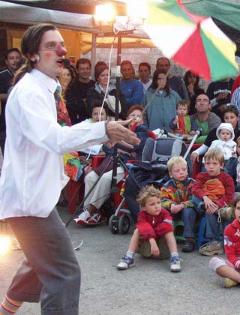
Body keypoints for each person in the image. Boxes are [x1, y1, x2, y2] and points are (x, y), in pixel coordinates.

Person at [0, 23, 139, 315]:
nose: (61, 50)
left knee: (42, 261)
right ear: (33, 55)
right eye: (51, 45)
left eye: (61, 44)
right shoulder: (30, 93)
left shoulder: (41, 89)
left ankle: (6, 309)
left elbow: (57, 134)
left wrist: (105, 130)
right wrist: (104, 128)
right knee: (64, 272)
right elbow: (54, 139)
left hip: (34, 199)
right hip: (29, 203)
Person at [116, 186, 181, 272]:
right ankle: (129, 257)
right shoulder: (142, 215)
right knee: (138, 230)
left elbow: (167, 225)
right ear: (144, 207)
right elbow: (143, 226)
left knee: (169, 230)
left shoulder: (165, 213)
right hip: (147, 248)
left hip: (163, 249)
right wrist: (152, 239)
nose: (157, 206)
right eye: (152, 204)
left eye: (158, 202)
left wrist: (154, 233)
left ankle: (175, 257)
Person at [192, 148, 235, 256]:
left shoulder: (226, 177)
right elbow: (195, 188)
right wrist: (205, 197)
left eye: (214, 163)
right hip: (204, 203)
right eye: (208, 163)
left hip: (219, 204)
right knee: (194, 197)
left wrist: (218, 204)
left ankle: (214, 241)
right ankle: (209, 208)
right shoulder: (202, 176)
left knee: (210, 211)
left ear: (221, 165)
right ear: (204, 164)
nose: (211, 166)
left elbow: (229, 195)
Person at [160, 156, 197, 253]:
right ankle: (162, 237)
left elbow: (195, 199)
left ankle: (189, 240)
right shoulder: (168, 185)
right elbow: (163, 198)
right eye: (177, 171)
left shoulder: (193, 183)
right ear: (171, 174)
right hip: (174, 210)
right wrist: (171, 205)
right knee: (161, 210)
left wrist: (181, 205)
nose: (181, 172)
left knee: (188, 210)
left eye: (184, 169)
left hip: (189, 211)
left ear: (187, 170)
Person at [0, 48, 22, 152]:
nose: (15, 60)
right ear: (6, 61)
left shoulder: (26, 75)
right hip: (6, 121)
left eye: (17, 58)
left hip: (22, 121)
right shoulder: (2, 75)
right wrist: (14, 96)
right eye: (11, 58)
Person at [65, 58, 95, 124]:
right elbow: (72, 107)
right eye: (82, 69)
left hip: (94, 122)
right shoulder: (72, 87)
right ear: (77, 70)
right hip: (77, 123)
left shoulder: (95, 85)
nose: (85, 71)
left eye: (87, 68)